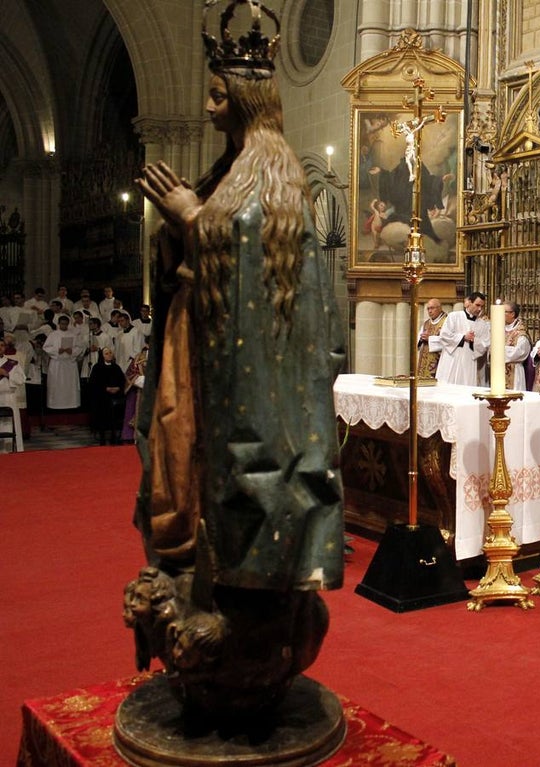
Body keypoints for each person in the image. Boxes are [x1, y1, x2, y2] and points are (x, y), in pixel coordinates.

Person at [134, 10, 345, 713]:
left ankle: (241, 612)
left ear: (248, 99)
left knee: (228, 480)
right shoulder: (227, 169)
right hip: (198, 357)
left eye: (218, 95)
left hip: (248, 388)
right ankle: (186, 572)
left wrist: (191, 217)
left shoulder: (270, 172)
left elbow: (250, 255)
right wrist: (178, 231)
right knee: (176, 456)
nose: (206, 106)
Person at [436, 292, 490, 386]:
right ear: (469, 303)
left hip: (469, 361)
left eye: (482, 306)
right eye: (477, 305)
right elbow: (444, 335)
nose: (479, 309)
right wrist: (463, 337)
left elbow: (484, 345)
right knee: (448, 385)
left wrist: (474, 341)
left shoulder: (483, 324)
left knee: (466, 386)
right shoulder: (454, 316)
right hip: (451, 358)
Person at [88, 346, 126, 445]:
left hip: (116, 395)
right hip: (102, 396)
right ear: (102, 356)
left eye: (110, 353)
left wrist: (118, 388)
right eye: (106, 353)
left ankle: (114, 437)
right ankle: (102, 437)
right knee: (102, 407)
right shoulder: (97, 367)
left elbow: (122, 380)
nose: (109, 355)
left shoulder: (116, 367)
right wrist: (105, 388)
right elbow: (94, 383)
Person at [42, 314, 81, 410]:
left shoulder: (73, 335)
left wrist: (72, 351)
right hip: (57, 363)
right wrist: (57, 350)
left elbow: (79, 347)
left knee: (69, 385)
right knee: (56, 385)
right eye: (62, 324)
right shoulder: (53, 334)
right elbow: (46, 347)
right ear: (59, 324)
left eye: (66, 324)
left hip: (69, 363)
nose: (64, 326)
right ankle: (55, 404)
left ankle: (71, 403)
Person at [0, 338, 26, 452]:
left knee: (9, 425)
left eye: (2, 345)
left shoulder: (12, 363)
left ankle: (9, 450)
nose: (0, 348)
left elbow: (21, 379)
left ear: (5, 347)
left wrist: (7, 374)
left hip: (8, 398)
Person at [500, 302, 532, 391]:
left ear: (512, 314)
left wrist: (499, 350)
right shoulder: (499, 329)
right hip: (499, 371)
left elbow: (520, 352)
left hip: (515, 372)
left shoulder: (520, 333)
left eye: (503, 311)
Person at [416, 298, 448, 379]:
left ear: (440, 308)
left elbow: (448, 341)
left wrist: (430, 339)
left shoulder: (447, 321)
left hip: (439, 362)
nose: (430, 311)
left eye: (432, 308)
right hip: (424, 362)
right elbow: (418, 341)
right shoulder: (426, 323)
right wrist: (421, 339)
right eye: (428, 309)